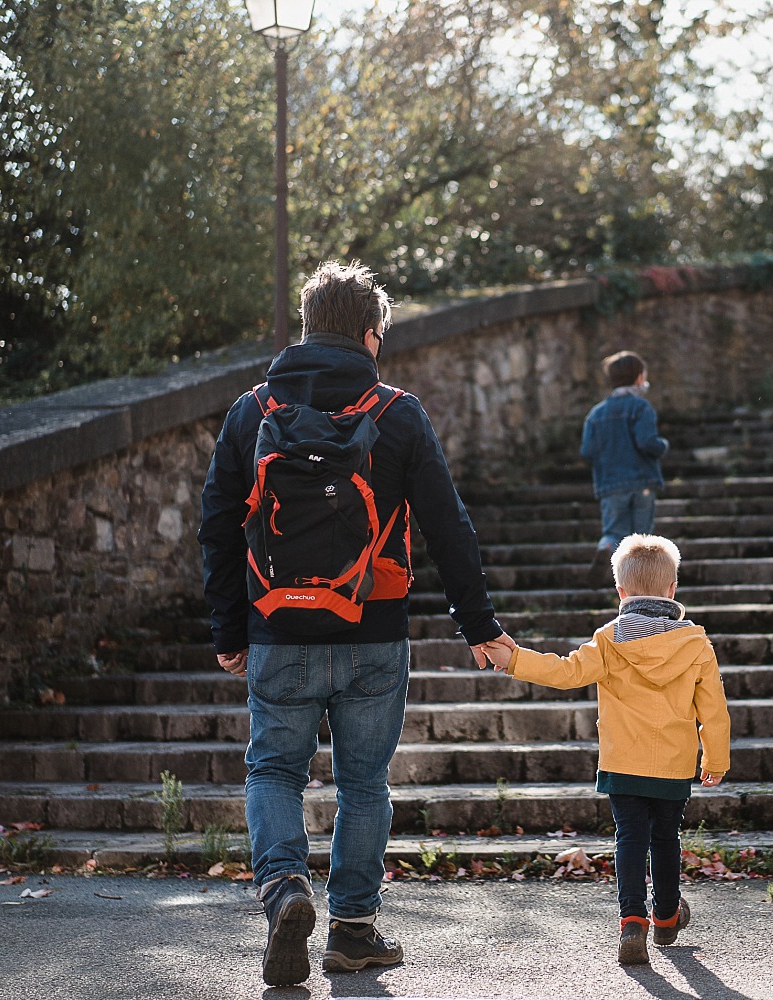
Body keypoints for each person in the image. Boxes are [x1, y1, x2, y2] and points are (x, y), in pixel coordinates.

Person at [198, 260, 510, 986]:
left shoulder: (253, 412)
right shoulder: (397, 412)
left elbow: (216, 524)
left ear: (308, 328)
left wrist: (228, 630)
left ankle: (283, 888)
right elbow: (447, 526)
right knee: (364, 782)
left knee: (275, 768)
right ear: (371, 334)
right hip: (373, 627)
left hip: (277, 627)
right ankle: (354, 931)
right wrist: (478, 625)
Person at [477, 534, 729, 966]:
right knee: (666, 838)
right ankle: (667, 916)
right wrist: (716, 759)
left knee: (630, 838)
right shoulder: (695, 645)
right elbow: (714, 711)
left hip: (623, 762)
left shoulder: (610, 640)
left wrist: (515, 658)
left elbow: (566, 671)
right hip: (673, 764)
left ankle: (633, 920)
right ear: (672, 590)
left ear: (621, 592)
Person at [580, 350, 668, 585]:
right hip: (641, 482)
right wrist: (662, 446)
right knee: (640, 539)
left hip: (610, 485)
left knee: (614, 531)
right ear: (639, 377)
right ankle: (638, 584)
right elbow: (647, 442)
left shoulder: (595, 414)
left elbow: (587, 451)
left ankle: (606, 546)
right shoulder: (641, 408)